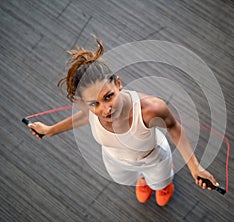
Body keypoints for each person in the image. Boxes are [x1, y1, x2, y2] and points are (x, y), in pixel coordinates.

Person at [28, 36, 218, 206]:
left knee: (160, 180)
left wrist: (195, 167)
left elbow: (174, 127)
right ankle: (142, 180)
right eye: (95, 104)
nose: (105, 109)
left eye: (109, 96)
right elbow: (84, 116)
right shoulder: (92, 111)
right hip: (116, 160)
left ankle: (162, 185)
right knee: (135, 178)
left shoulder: (150, 109)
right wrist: (50, 130)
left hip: (153, 158)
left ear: (118, 84)